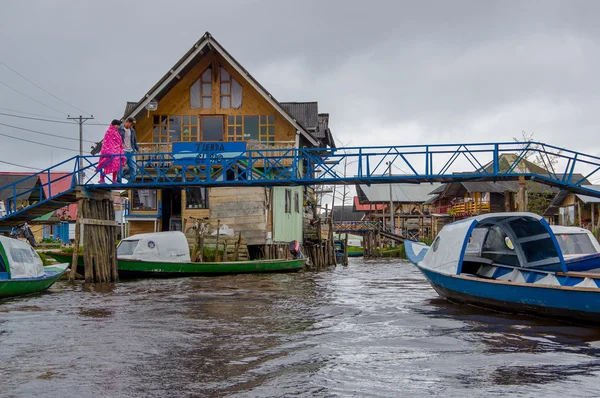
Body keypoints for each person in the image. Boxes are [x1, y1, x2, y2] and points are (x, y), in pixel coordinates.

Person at [96, 119, 125, 184]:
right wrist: (110, 150)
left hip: (117, 151)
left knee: (117, 166)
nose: (117, 126)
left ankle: (114, 180)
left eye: (118, 125)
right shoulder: (109, 131)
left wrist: (119, 147)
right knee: (106, 164)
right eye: (116, 125)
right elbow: (107, 142)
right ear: (113, 124)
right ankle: (102, 179)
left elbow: (118, 141)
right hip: (109, 151)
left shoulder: (117, 132)